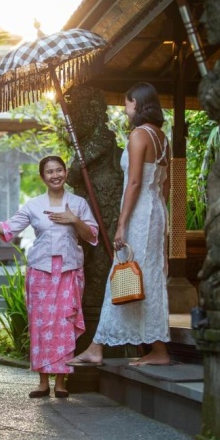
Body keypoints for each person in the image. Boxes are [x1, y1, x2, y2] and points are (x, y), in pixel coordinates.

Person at [0, 156, 98, 398]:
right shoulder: (33, 205)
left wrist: (74, 219)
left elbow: (92, 234)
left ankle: (61, 382)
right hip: (40, 272)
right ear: (42, 177)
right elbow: (7, 229)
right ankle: (42, 382)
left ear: (65, 172)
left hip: (69, 271)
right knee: (41, 325)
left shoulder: (78, 203)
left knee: (64, 325)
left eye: (59, 170)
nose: (55, 175)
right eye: (50, 172)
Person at [67, 82, 171, 367]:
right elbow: (165, 184)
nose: (125, 109)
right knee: (148, 276)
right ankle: (156, 348)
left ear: (136, 103)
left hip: (139, 213)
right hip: (156, 211)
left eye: (127, 103)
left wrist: (122, 224)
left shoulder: (139, 135)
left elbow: (134, 183)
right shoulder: (163, 138)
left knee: (123, 272)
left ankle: (98, 347)